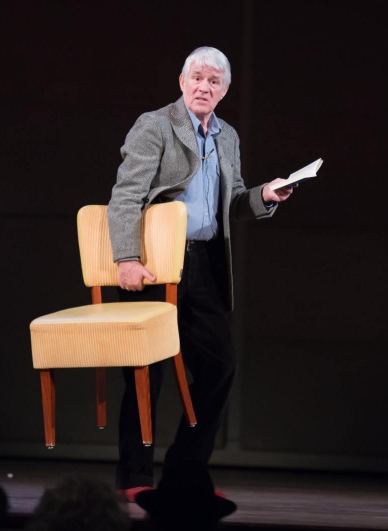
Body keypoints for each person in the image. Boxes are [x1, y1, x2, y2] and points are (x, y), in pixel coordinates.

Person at [107, 46, 295, 501]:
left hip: (205, 264)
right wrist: (126, 258)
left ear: (225, 90)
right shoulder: (155, 125)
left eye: (214, 81)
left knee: (218, 367)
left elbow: (227, 205)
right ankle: (135, 477)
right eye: (197, 78)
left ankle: (185, 474)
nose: (204, 87)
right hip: (155, 263)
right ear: (181, 81)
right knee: (145, 372)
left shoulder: (226, 135)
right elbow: (126, 194)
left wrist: (265, 195)